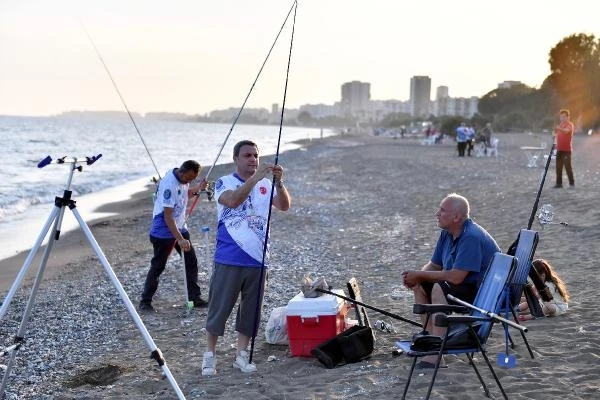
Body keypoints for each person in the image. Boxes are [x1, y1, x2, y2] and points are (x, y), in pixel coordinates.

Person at [202, 140, 291, 376]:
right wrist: (255, 179)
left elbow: (284, 206)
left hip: (258, 259)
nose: (253, 159)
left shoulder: (265, 184)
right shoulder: (224, 182)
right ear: (236, 159)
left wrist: (279, 182)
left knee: (251, 311)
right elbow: (233, 200)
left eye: (256, 155)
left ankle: (241, 355)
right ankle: (210, 355)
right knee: (219, 308)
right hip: (229, 257)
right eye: (247, 155)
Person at [401, 193, 500, 368]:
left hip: (482, 293)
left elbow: (456, 277)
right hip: (464, 286)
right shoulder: (447, 234)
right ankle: (430, 336)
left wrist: (419, 274)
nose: (437, 214)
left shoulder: (470, 237)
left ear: (456, 217)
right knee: (422, 283)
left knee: (439, 287)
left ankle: (437, 353)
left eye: (442, 210)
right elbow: (433, 266)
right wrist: (415, 278)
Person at [139, 160, 208, 312]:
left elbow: (185, 194)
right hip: (163, 230)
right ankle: (145, 301)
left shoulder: (184, 178)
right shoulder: (169, 185)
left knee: (191, 261)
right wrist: (180, 239)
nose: (188, 182)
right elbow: (167, 216)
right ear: (181, 172)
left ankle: (194, 297)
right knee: (158, 266)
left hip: (180, 226)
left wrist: (198, 188)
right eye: (188, 179)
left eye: (192, 180)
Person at [553, 109, 575, 188]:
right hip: (559, 149)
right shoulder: (560, 125)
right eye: (561, 117)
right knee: (558, 167)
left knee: (567, 167)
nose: (562, 118)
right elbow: (556, 135)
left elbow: (566, 131)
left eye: (564, 117)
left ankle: (571, 183)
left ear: (568, 117)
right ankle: (559, 184)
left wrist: (558, 129)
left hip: (566, 150)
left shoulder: (570, 125)